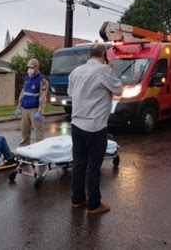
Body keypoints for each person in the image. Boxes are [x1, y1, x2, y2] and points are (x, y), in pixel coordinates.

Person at [67, 44, 123, 214]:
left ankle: (77, 199)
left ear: (89, 55)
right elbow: (119, 90)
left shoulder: (75, 71)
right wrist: (110, 69)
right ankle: (94, 204)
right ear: (104, 55)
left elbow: (70, 93)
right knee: (93, 165)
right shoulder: (103, 71)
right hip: (95, 126)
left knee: (79, 163)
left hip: (77, 124)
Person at [14, 58, 49, 147]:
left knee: (38, 133)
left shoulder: (42, 80)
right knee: (24, 132)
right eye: (29, 67)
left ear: (37, 67)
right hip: (25, 109)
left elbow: (43, 97)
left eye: (32, 67)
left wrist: (39, 111)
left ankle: (40, 150)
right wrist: (18, 107)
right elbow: (23, 93)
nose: (30, 69)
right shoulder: (27, 78)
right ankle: (24, 149)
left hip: (35, 109)